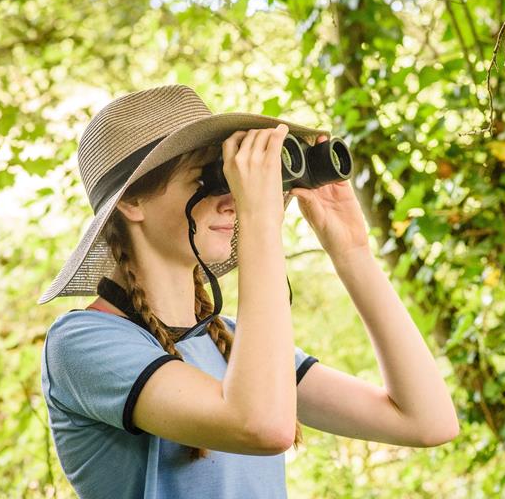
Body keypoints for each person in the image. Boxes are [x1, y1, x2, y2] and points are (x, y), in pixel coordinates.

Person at [38, 85, 459, 498]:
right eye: (209, 180)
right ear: (133, 201)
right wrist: (259, 220)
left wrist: (352, 251)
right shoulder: (81, 343)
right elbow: (262, 427)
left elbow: (426, 422)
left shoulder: (234, 345)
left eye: (232, 180)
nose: (231, 200)